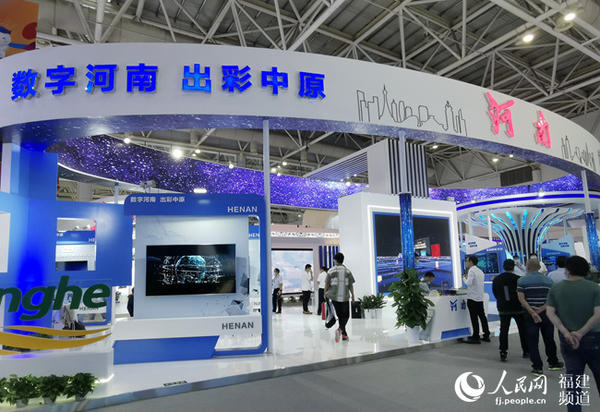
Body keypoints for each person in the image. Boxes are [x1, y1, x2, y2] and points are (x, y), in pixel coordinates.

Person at [546, 256, 600, 412]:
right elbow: (598, 314)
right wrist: (581, 333)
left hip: (568, 341)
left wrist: (566, 332)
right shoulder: (595, 288)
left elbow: (550, 313)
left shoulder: (556, 289)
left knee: (573, 385)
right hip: (594, 339)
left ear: (567, 270)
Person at [517, 258, 563, 375]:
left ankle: (537, 367)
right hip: (546, 314)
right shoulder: (548, 280)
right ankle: (553, 363)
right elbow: (552, 299)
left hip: (530, 314)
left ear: (527, 267)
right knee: (549, 338)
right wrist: (541, 308)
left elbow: (521, 299)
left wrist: (532, 311)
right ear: (539, 267)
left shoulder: (522, 281)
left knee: (532, 340)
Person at [492, 259, 529, 362]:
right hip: (518, 308)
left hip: (503, 308)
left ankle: (503, 352)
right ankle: (526, 351)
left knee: (504, 330)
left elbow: (495, 293)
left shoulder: (497, 279)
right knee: (523, 330)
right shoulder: (519, 279)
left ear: (503, 267)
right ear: (513, 267)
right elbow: (523, 293)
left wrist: (502, 301)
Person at [324, 253, 356, 342]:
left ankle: (341, 331)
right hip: (345, 297)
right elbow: (350, 285)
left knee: (340, 315)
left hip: (334, 297)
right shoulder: (348, 271)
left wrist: (324, 294)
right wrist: (353, 295)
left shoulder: (331, 271)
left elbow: (326, 284)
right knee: (346, 316)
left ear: (335, 260)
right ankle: (342, 332)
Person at [463, 256, 490, 344]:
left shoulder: (471, 270)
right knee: (482, 317)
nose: (466, 263)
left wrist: (464, 278)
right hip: (479, 298)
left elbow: (469, 283)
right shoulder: (480, 271)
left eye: (467, 261)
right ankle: (486, 335)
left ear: (471, 262)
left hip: (472, 298)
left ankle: (476, 336)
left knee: (474, 318)